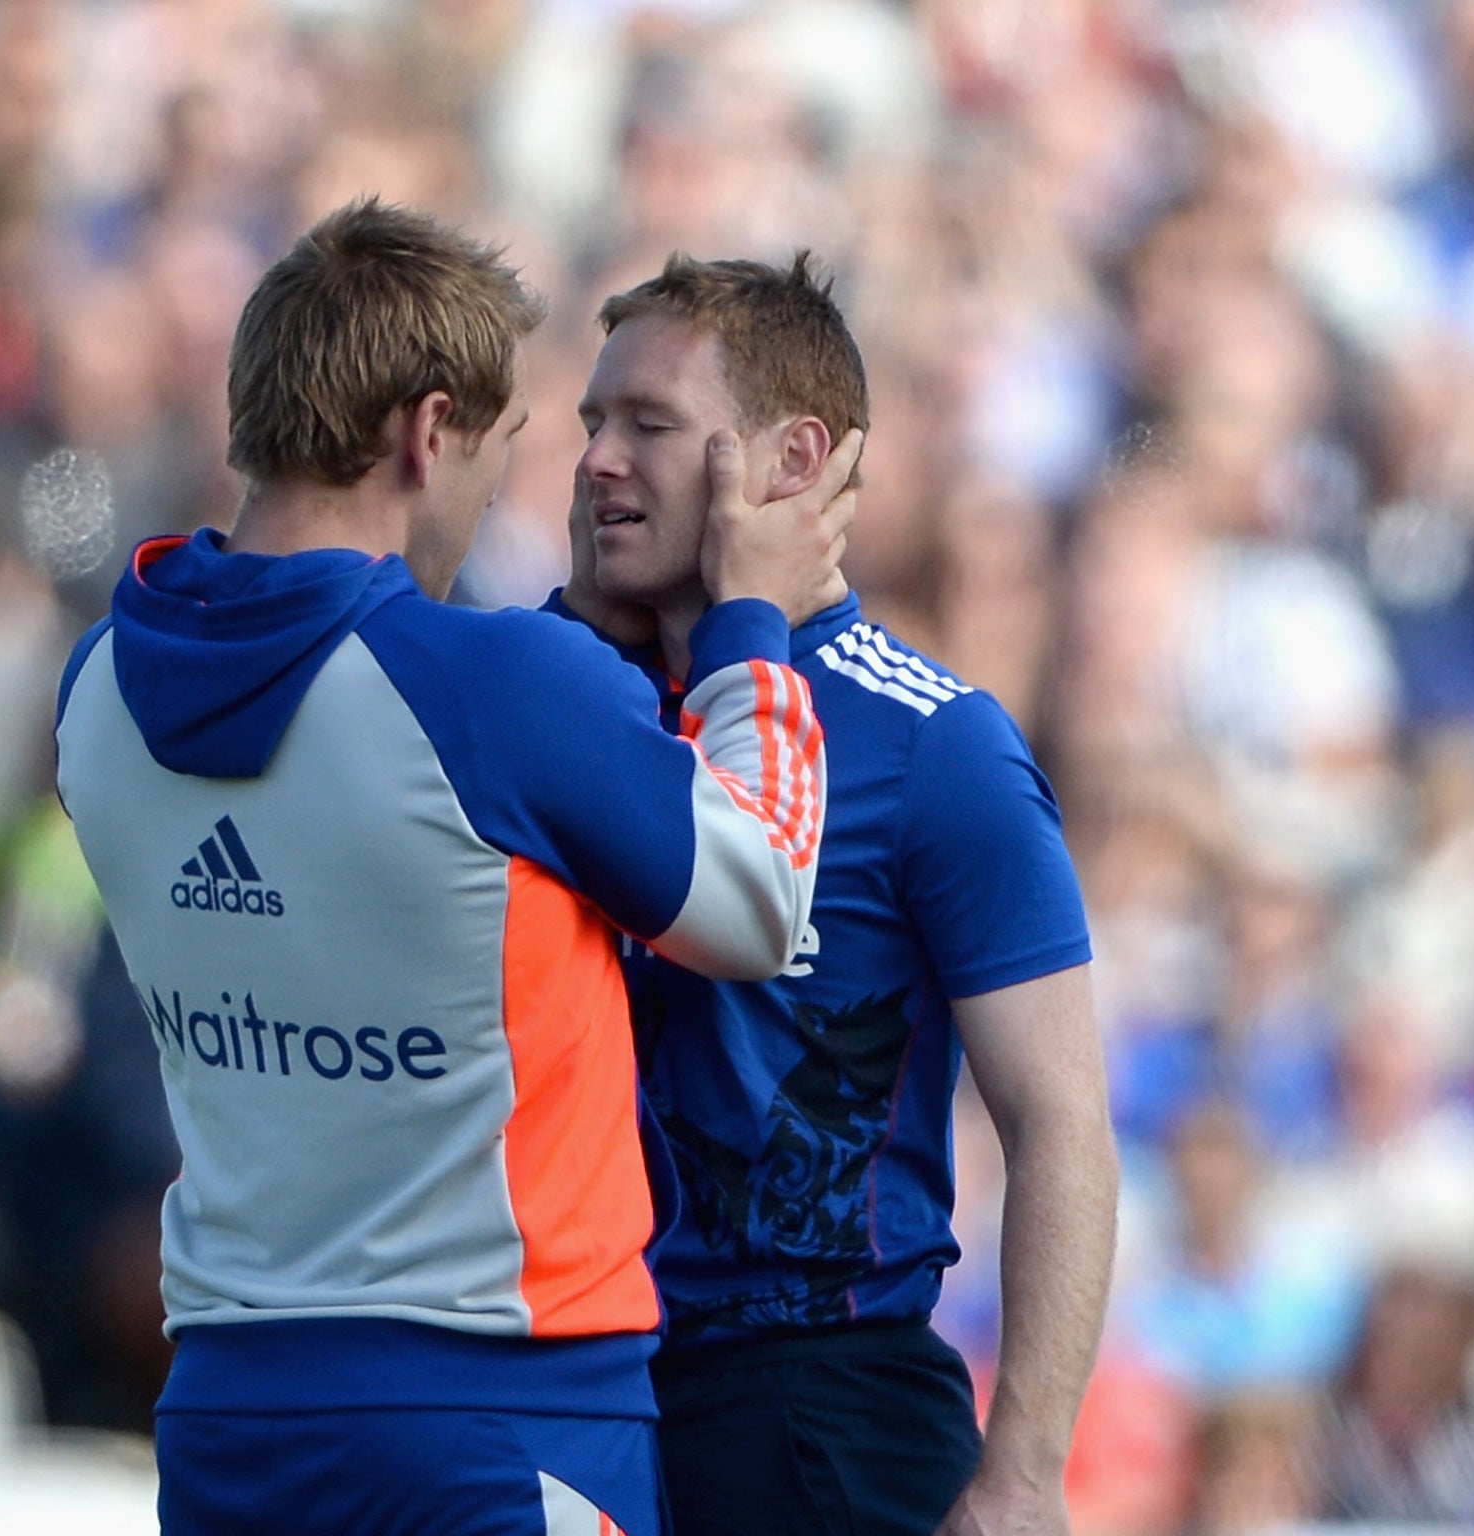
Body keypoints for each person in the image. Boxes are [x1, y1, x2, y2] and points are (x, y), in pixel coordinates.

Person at [54, 198, 859, 1536]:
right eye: (500, 452)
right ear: (429, 430)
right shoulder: (484, 683)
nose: (496, 498)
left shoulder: (96, 693)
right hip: (498, 1411)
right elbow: (761, 898)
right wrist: (752, 619)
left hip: (229, 1412)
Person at [558, 253, 1119, 1536]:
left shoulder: (936, 744)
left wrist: (1025, 1472)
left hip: (817, 1412)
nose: (595, 458)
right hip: (575, 1386)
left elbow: (1059, 1123)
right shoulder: (562, 702)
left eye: (647, 423)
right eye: (591, 421)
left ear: (790, 460)